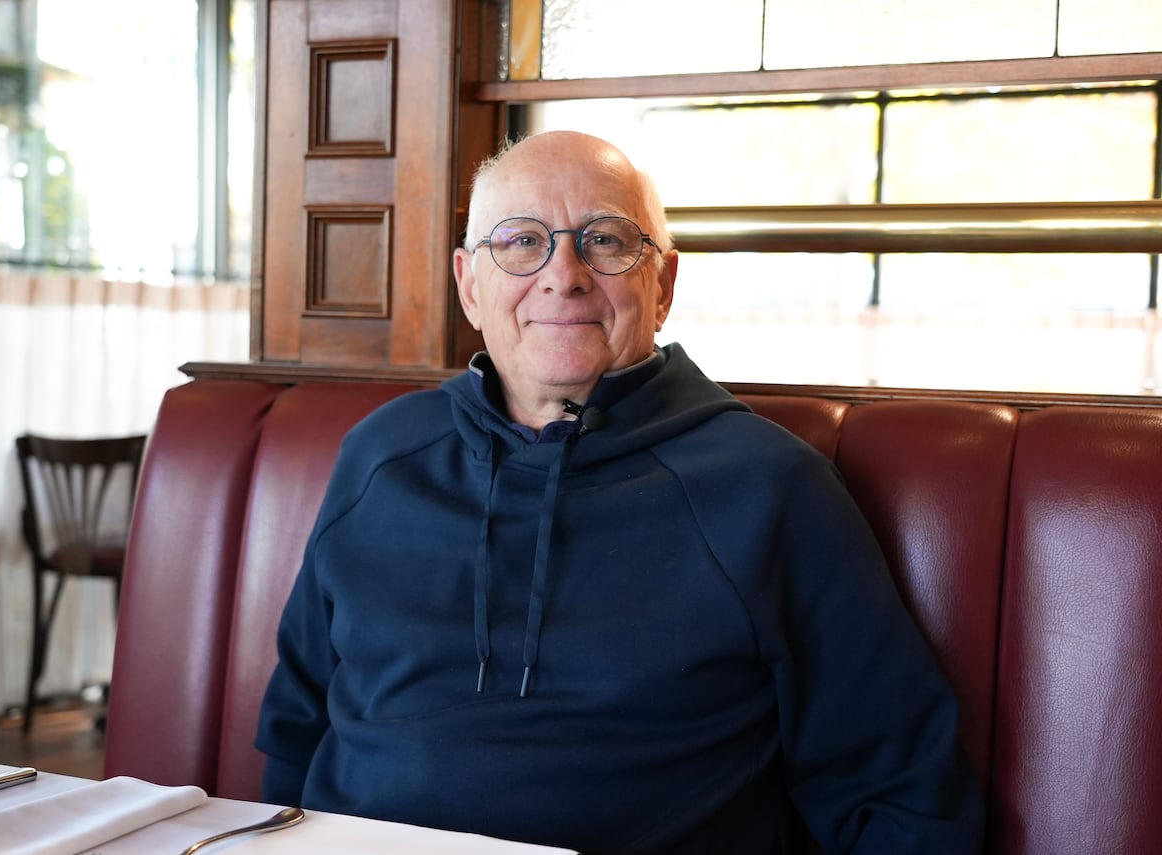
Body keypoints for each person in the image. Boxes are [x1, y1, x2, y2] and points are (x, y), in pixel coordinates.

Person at [255, 130, 983, 853]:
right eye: (520, 241)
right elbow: (297, 725)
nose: (562, 273)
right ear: (470, 285)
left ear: (661, 285)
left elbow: (899, 794)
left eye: (604, 240)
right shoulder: (381, 455)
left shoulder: (772, 489)